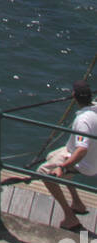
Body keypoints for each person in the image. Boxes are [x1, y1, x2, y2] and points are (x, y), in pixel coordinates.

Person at [38, 82, 97, 230]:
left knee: (43, 173)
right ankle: (78, 203)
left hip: (85, 162)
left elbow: (82, 150)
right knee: (51, 155)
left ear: (74, 96)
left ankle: (70, 218)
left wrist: (63, 168)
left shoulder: (83, 120)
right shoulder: (94, 109)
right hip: (87, 154)